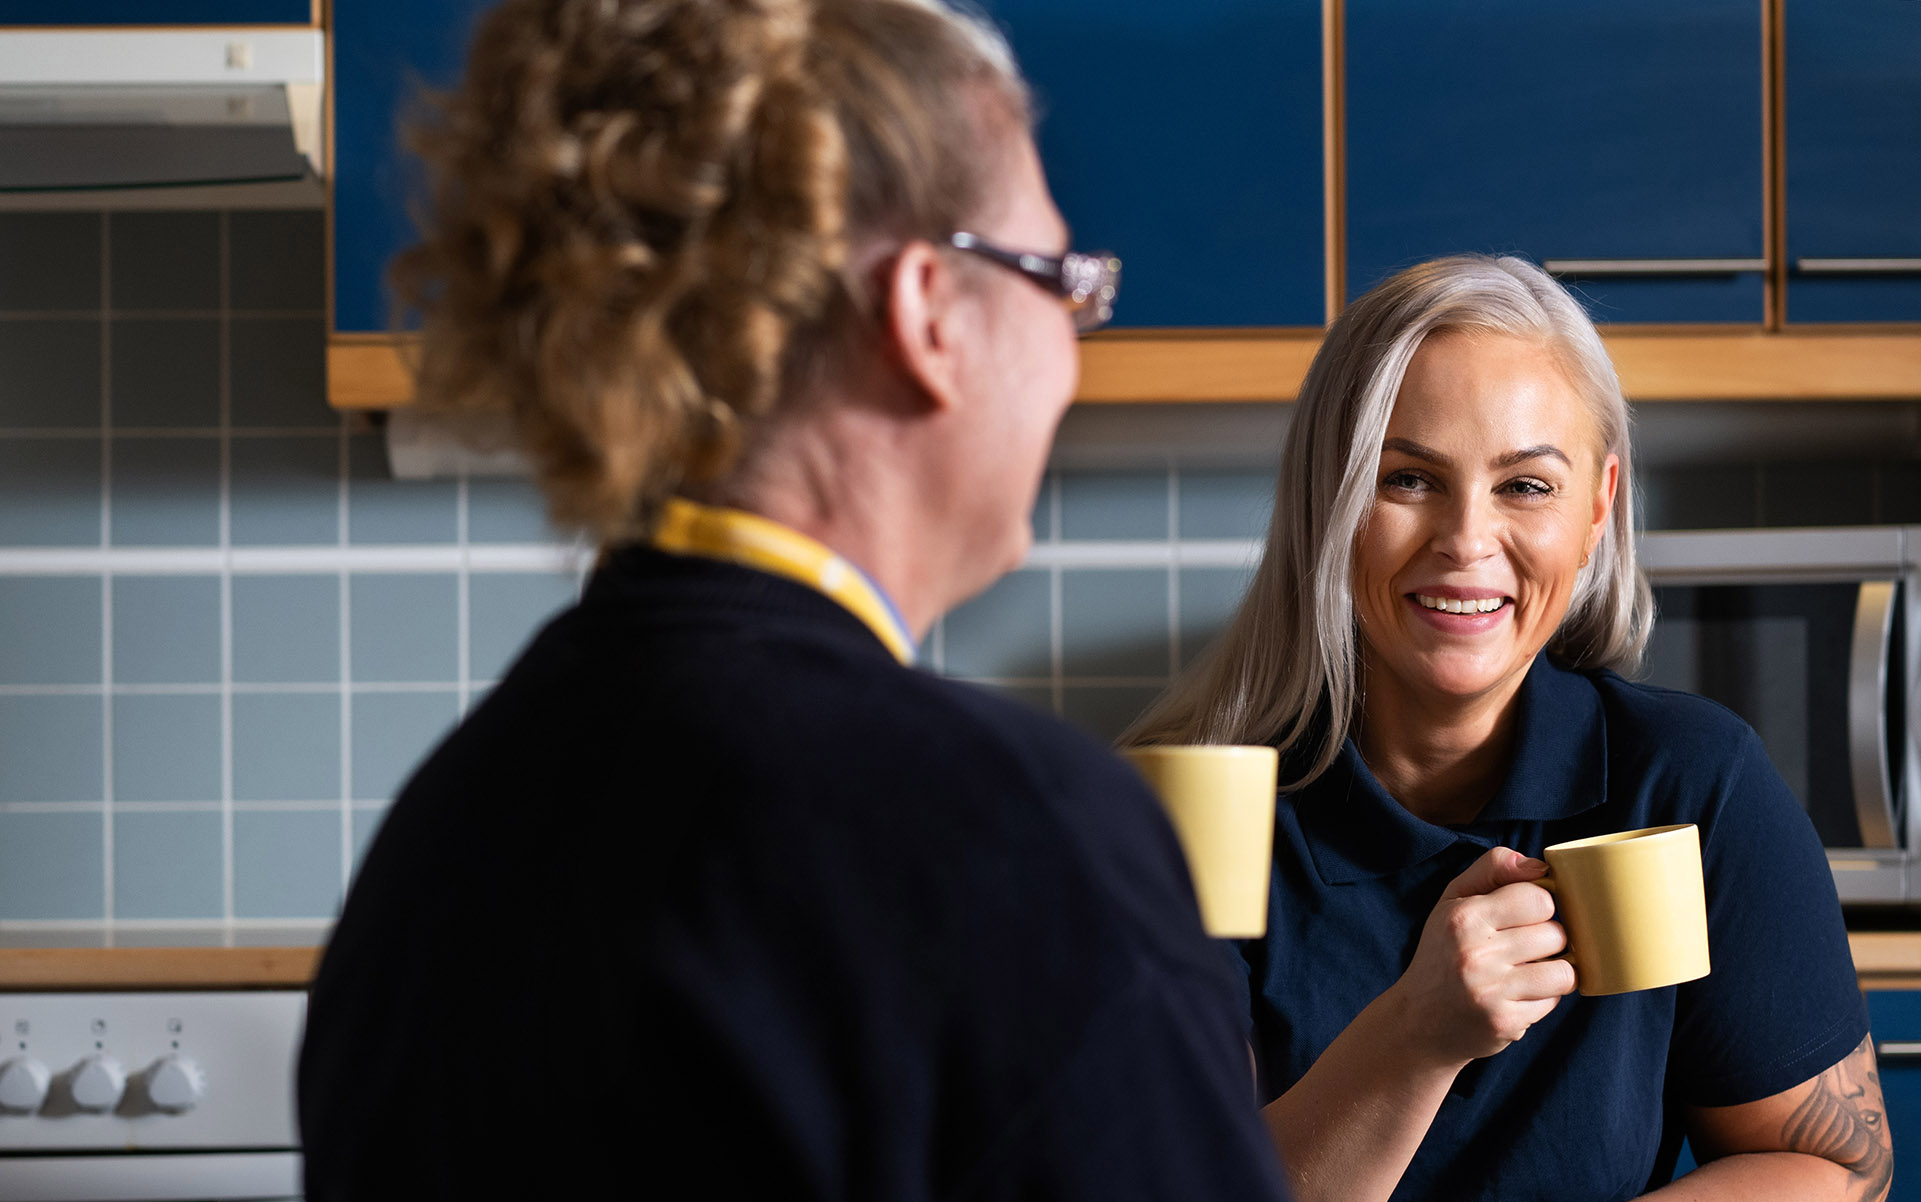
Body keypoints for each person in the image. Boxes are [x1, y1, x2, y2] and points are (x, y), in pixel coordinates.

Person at [297, 1, 1292, 1198]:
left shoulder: (445, 834)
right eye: (1059, 280)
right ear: (928, 313)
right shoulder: (1012, 832)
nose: (1074, 346)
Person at [1125, 255, 1890, 1202]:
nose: (1465, 539)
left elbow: (1837, 1164)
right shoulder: (1194, 817)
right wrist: (1416, 1036)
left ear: (1597, 507)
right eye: (1408, 478)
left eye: (1525, 485)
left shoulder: (1690, 785)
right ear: (1330, 498)